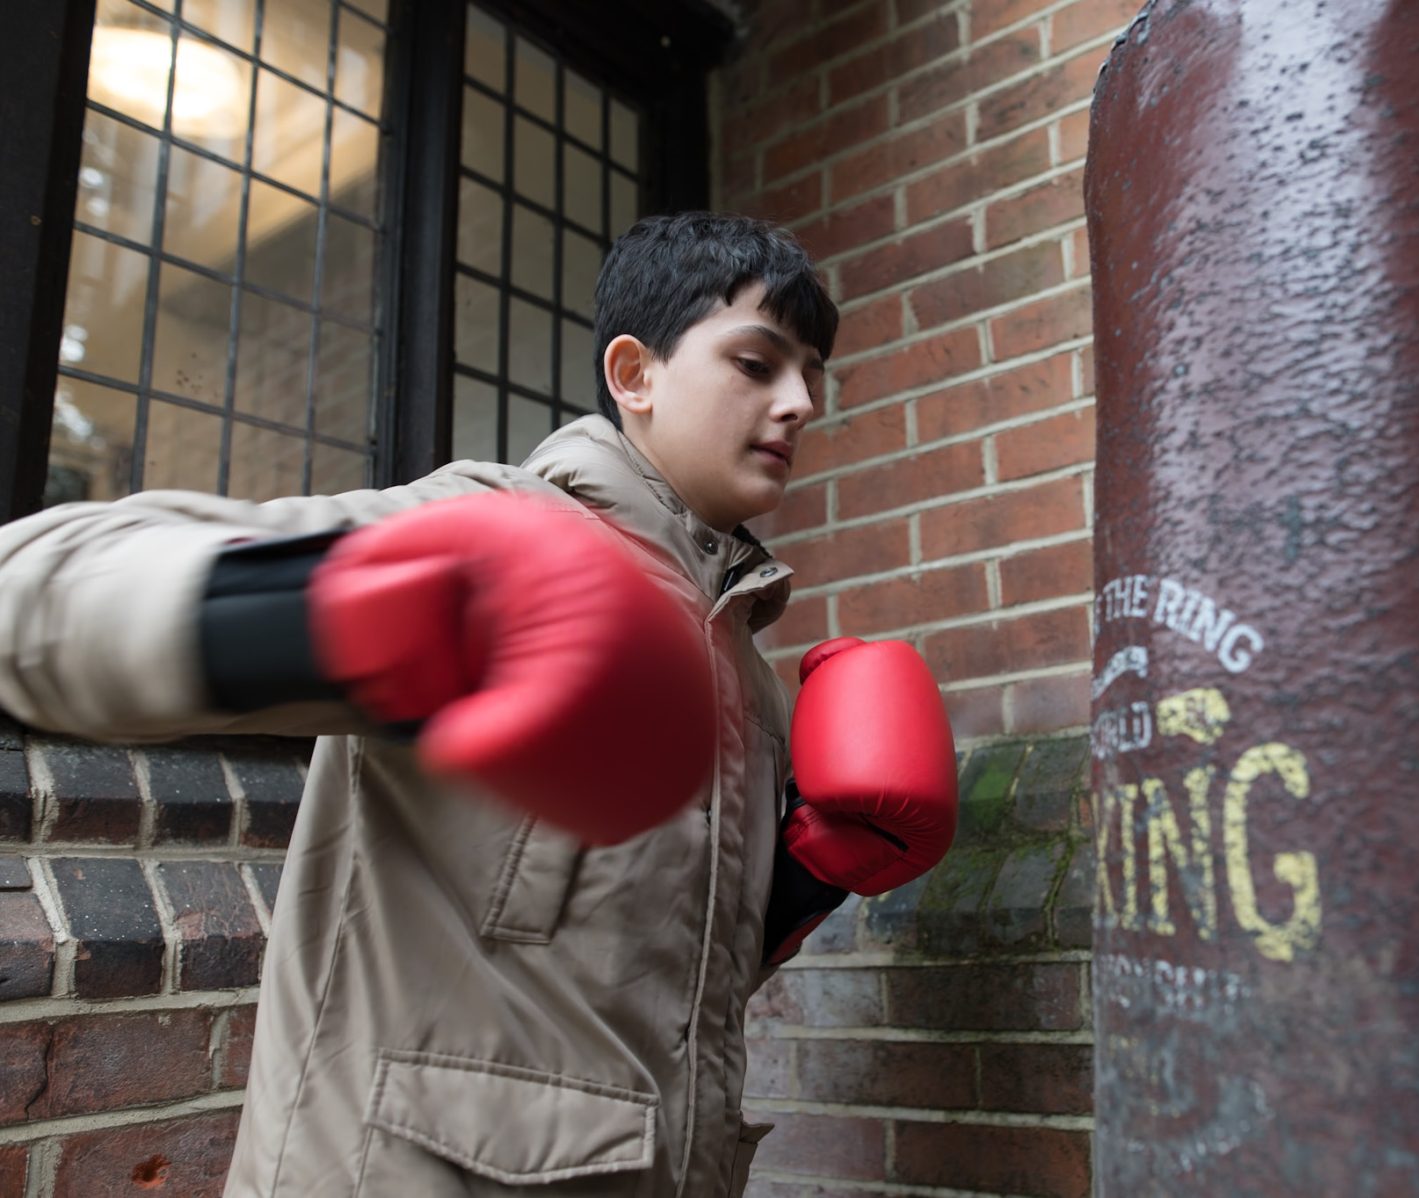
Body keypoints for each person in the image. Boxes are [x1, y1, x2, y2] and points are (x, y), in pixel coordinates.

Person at [0, 212, 958, 1197]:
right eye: (757, 364)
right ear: (634, 375)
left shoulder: (742, 671)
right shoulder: (499, 528)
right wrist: (345, 615)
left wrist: (803, 881)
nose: (800, 402)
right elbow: (29, 588)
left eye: (812, 375)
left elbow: (664, 983)